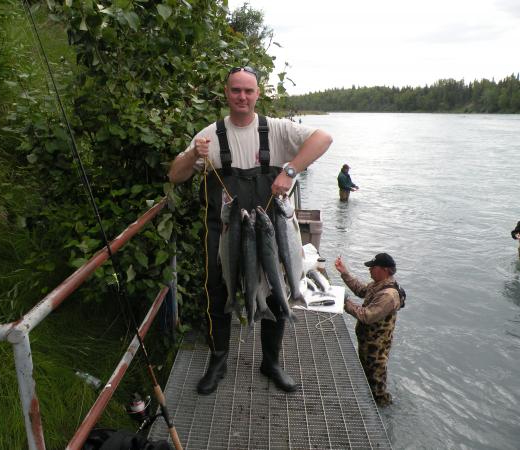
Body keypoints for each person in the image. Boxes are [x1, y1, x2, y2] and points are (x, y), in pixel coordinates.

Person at [168, 66, 332, 395]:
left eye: (248, 91)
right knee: (218, 291)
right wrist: (191, 154)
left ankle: (271, 362)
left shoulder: (278, 130)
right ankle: (218, 361)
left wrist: (289, 169)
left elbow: (324, 138)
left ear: (258, 94)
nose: (242, 97)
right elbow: (175, 175)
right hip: (225, 231)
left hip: (269, 232)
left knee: (275, 289)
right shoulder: (209, 136)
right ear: (225, 93)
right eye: (235, 90)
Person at [334, 253, 403, 406]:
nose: (370, 270)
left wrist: (344, 302)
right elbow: (360, 290)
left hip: (376, 348)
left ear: (384, 270)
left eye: (373, 267)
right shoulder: (379, 284)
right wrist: (344, 272)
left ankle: (382, 412)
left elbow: (367, 316)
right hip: (368, 343)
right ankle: (369, 405)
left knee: (376, 385)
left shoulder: (389, 295)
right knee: (366, 377)